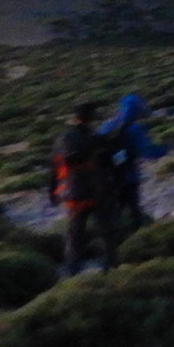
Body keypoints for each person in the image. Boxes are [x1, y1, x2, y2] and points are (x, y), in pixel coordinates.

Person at [48, 102, 123, 274]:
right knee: (107, 233)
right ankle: (111, 270)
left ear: (74, 118)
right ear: (91, 118)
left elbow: (54, 168)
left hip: (72, 195)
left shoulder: (61, 141)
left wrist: (52, 192)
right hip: (98, 193)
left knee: (74, 236)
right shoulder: (96, 140)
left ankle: (72, 272)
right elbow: (112, 164)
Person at [98, 93, 168, 230]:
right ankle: (136, 237)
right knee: (133, 210)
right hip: (129, 176)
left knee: (112, 212)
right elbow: (148, 152)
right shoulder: (135, 129)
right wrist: (165, 148)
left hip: (106, 176)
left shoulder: (106, 126)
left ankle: (111, 241)